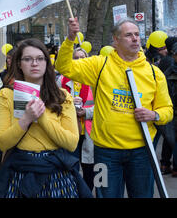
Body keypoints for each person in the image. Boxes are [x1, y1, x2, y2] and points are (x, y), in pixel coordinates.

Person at [55, 17, 173, 198]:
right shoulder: (99, 65)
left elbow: (167, 110)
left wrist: (154, 114)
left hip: (142, 152)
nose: (135, 38)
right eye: (128, 35)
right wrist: (70, 39)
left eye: (137, 34)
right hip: (104, 153)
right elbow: (63, 66)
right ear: (115, 40)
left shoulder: (154, 73)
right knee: (105, 195)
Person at [0, 38, 92, 198]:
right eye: (27, 59)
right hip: (20, 173)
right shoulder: (7, 95)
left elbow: (71, 143)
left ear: (47, 62)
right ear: (19, 63)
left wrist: (42, 116)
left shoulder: (63, 96)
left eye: (39, 58)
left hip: (57, 175)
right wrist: (26, 119)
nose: (34, 63)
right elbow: (3, 143)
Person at [57, 47, 95, 191]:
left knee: (89, 169)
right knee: (71, 166)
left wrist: (85, 112)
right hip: (69, 130)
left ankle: (87, 192)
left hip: (89, 132)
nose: (79, 60)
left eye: (82, 58)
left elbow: (102, 107)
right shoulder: (62, 80)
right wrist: (69, 105)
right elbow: (54, 103)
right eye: (76, 58)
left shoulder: (94, 80)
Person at [162, 42, 177, 177]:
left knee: (170, 140)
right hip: (171, 112)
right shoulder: (169, 73)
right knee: (171, 139)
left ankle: (166, 164)